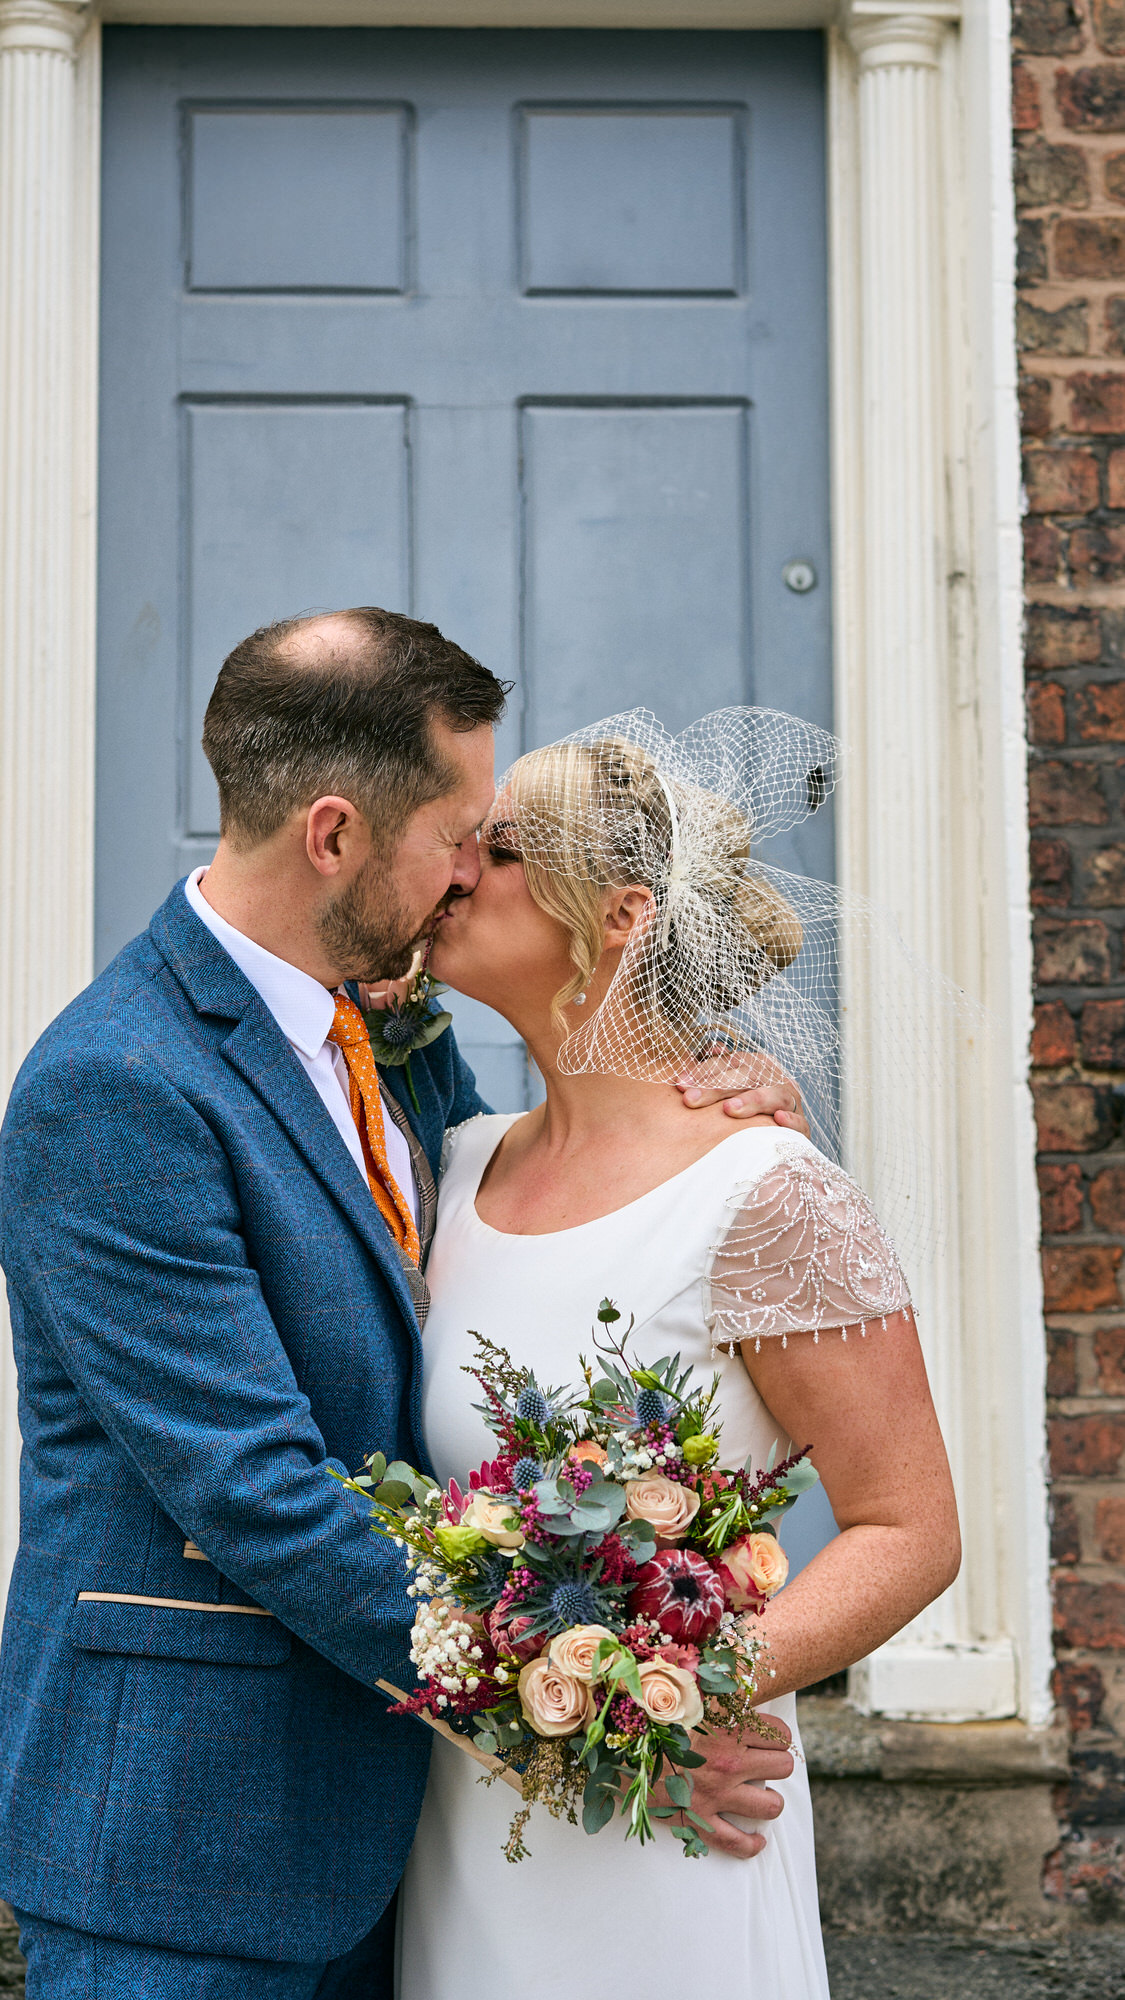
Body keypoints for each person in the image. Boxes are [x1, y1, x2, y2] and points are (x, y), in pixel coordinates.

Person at [0, 610, 801, 1999]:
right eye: (458, 834)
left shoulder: (394, 1040)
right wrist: (593, 1711)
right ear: (334, 835)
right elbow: (258, 1491)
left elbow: (522, 1264)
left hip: (392, 1833)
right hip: (184, 1842)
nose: (473, 872)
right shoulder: (116, 1088)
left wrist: (709, 1105)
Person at [398, 717, 962, 2000]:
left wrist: (659, 1694)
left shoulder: (765, 1190)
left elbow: (910, 1524)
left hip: (676, 1823)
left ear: (620, 914)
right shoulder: (459, 1162)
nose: (454, 870)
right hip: (469, 1819)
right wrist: (517, 1698)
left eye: (500, 847)